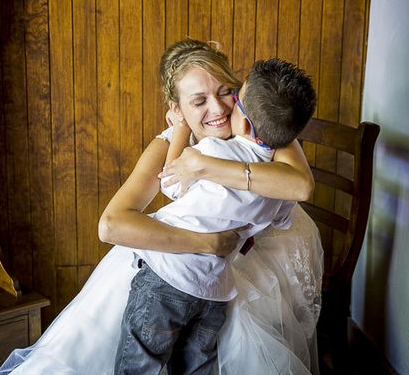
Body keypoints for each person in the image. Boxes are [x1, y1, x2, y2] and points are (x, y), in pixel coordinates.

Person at [0, 39, 323, 375]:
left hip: (233, 278)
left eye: (226, 91)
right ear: (177, 110)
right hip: (177, 266)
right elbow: (111, 225)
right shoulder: (174, 142)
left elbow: (300, 186)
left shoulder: (263, 123)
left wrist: (202, 166)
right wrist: (208, 242)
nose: (219, 108)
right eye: (198, 101)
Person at [114, 58, 316, 374]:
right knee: (199, 365)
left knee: (140, 361)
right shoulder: (278, 181)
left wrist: (179, 130)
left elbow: (170, 184)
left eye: (232, 97)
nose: (223, 108)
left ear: (246, 123)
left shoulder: (212, 151)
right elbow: (282, 218)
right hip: (216, 290)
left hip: (168, 278)